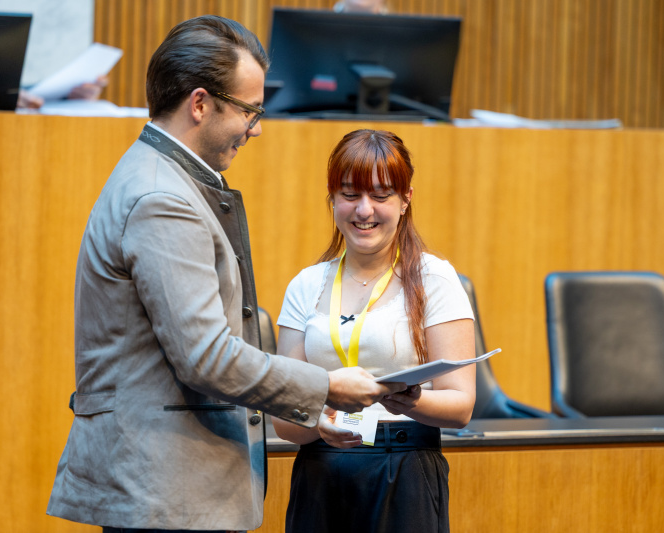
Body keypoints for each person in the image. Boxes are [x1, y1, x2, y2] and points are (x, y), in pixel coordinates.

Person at [46, 16, 403, 533]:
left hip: (171, 487)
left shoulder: (163, 178)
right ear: (199, 103)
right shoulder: (162, 198)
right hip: (165, 490)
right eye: (249, 110)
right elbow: (206, 356)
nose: (256, 128)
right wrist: (325, 386)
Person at [272, 129, 476, 533]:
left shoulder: (434, 278)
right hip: (322, 472)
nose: (364, 210)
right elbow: (285, 419)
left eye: (381, 196)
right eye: (349, 194)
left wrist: (409, 402)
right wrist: (317, 425)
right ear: (332, 199)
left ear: (405, 200)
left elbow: (461, 406)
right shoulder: (306, 284)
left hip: (405, 470)